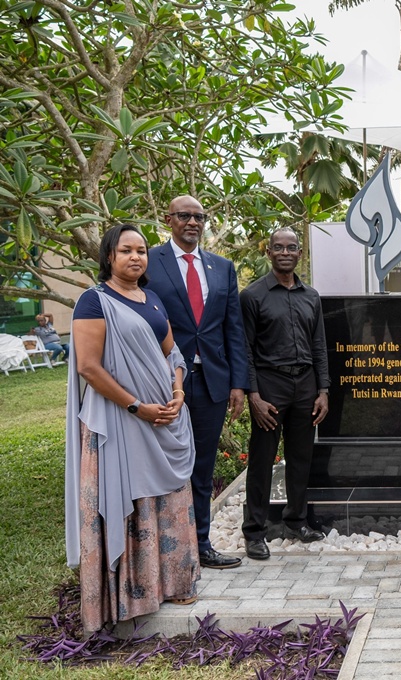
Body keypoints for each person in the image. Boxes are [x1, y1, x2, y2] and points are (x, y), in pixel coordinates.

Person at [66, 224, 198, 633]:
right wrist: (137, 406)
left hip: (165, 420)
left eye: (141, 250)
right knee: (134, 500)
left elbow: (171, 351)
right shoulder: (94, 301)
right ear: (109, 256)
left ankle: (174, 582)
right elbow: (89, 366)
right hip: (121, 422)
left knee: (170, 500)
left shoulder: (152, 298)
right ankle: (132, 594)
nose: (136, 257)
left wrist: (177, 391)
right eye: (126, 250)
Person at [145, 195, 248, 570]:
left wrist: (239, 383)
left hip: (212, 381)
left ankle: (200, 544)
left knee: (201, 466)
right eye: (184, 216)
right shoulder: (149, 262)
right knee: (163, 463)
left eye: (199, 216)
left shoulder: (222, 267)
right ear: (168, 219)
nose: (192, 222)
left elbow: (232, 329)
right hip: (162, 380)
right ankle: (163, 547)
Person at [240, 228, 331, 560]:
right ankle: (254, 532)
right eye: (278, 247)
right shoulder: (252, 296)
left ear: (300, 253)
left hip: (305, 385)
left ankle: (297, 521)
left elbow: (319, 345)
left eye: (291, 247)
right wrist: (253, 395)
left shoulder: (311, 296)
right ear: (269, 252)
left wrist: (323, 390)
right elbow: (245, 350)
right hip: (269, 386)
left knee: (301, 457)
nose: (285, 252)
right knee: (263, 459)